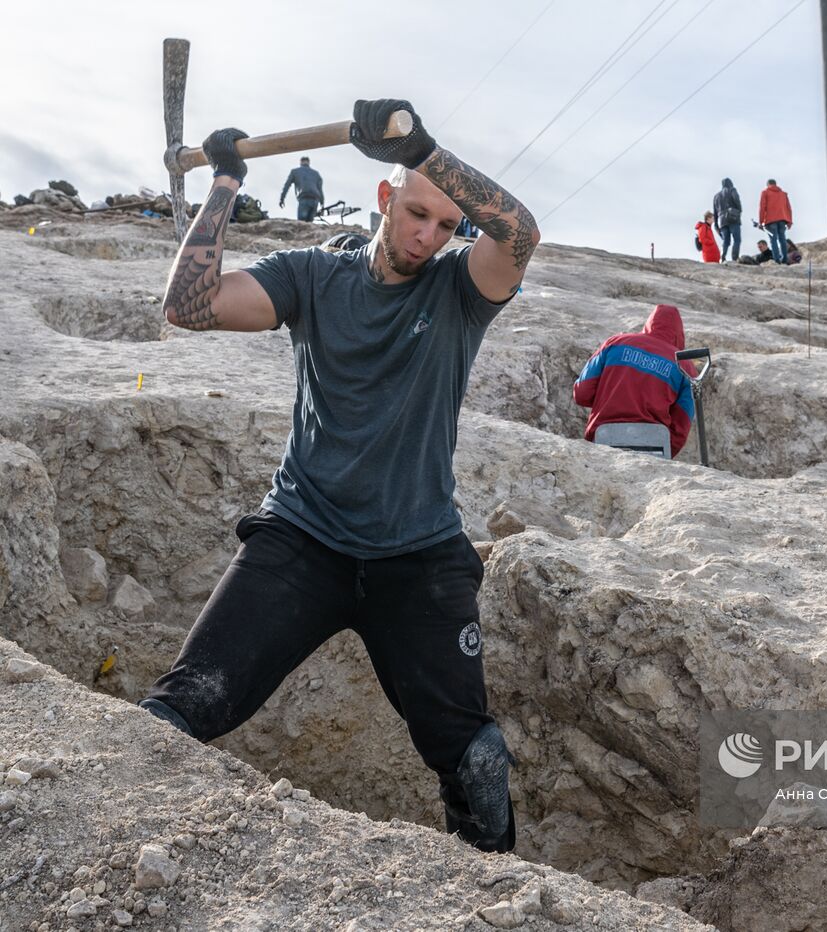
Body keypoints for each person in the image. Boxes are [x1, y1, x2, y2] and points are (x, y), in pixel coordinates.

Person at [138, 98, 540, 855]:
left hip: (418, 556)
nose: (429, 237)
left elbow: (520, 232)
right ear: (386, 199)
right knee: (181, 707)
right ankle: (121, 850)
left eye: (447, 226)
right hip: (301, 538)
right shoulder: (310, 277)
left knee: (475, 761)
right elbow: (188, 307)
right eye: (418, 213)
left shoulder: (460, 294)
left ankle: (495, 891)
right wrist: (225, 182)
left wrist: (428, 151)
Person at [573, 304, 698, 457]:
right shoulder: (685, 366)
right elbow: (681, 427)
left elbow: (582, 394)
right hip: (654, 447)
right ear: (679, 334)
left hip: (603, 437)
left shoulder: (615, 343)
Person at [279, 156, 325, 222]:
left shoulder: (294, 171)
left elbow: (287, 185)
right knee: (310, 224)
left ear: (300, 162)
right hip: (315, 200)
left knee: (301, 223)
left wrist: (282, 198)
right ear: (309, 163)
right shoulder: (316, 174)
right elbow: (320, 190)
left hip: (304, 197)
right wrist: (322, 203)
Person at [758, 179, 793, 263]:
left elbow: (762, 207)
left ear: (768, 185)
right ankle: (784, 259)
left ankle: (777, 260)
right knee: (782, 239)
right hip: (782, 219)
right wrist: (789, 221)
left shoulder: (765, 192)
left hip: (770, 220)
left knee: (773, 240)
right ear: (775, 184)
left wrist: (761, 222)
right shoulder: (783, 194)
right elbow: (788, 208)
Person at [712, 178, 743, 261]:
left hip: (722, 221)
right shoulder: (732, 190)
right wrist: (739, 210)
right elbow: (737, 200)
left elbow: (715, 212)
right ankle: (735, 258)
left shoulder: (716, 196)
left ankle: (722, 257)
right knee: (737, 239)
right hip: (733, 217)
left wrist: (716, 225)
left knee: (726, 240)